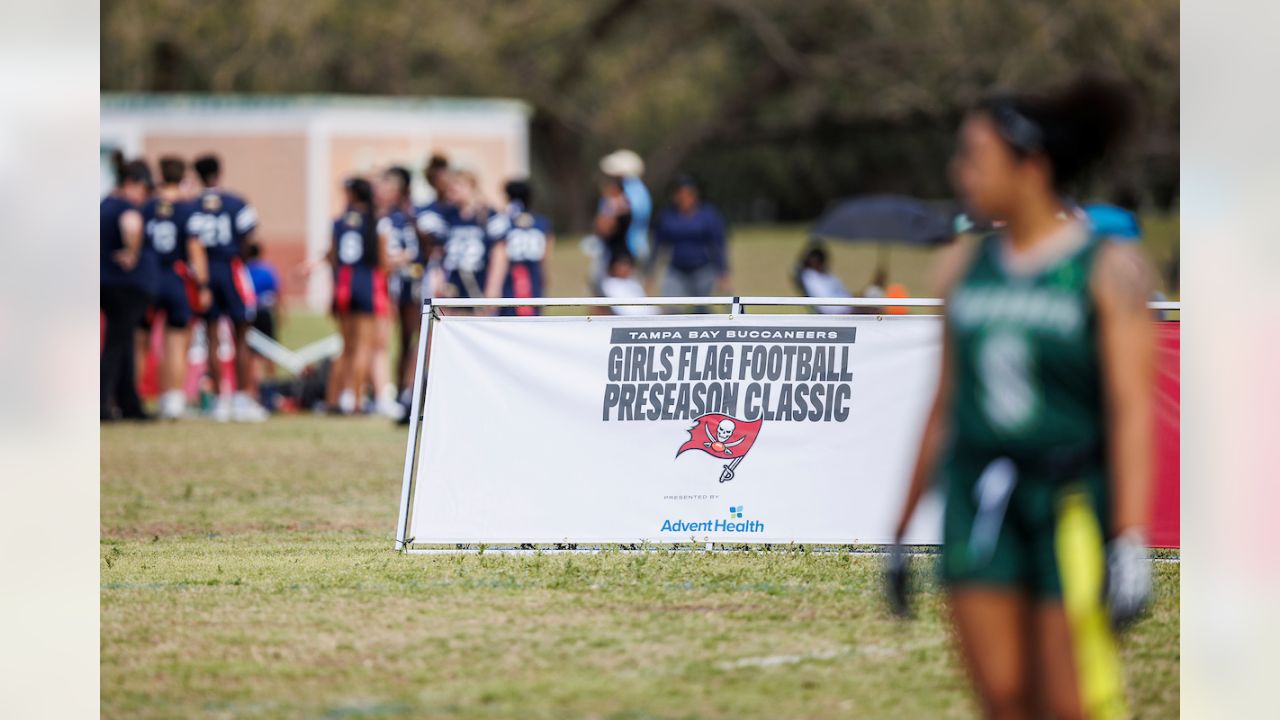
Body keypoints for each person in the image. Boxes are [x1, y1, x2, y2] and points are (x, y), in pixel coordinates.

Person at [889, 75, 1152, 719]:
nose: (960, 173)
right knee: (1002, 699)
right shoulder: (961, 268)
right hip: (979, 498)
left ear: (1031, 166)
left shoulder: (1107, 269)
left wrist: (1129, 537)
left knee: (1065, 704)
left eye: (974, 157)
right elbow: (943, 403)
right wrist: (898, 531)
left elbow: (1130, 409)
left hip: (1066, 500)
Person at [188, 154, 268, 422]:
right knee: (240, 334)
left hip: (205, 270)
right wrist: (240, 260)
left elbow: (191, 241)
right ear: (219, 172)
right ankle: (242, 397)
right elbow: (249, 234)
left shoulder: (193, 205)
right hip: (231, 268)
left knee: (211, 335)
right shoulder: (236, 202)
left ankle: (219, 401)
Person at [143, 156, 210, 419]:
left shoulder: (146, 207)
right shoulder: (187, 209)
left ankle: (138, 396)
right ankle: (172, 399)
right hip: (175, 277)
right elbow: (195, 248)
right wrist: (203, 284)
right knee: (175, 342)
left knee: (142, 342)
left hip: (148, 277)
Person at [101, 155, 156, 421]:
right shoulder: (125, 206)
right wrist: (132, 252)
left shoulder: (104, 204)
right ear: (133, 183)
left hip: (105, 283)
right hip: (124, 285)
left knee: (122, 345)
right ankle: (103, 405)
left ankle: (128, 402)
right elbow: (132, 225)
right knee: (116, 347)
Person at [328, 177, 387, 414]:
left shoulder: (339, 221)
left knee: (346, 346)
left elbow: (333, 257)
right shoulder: (376, 221)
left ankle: (333, 398)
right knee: (364, 346)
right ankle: (356, 400)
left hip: (343, 285)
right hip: (366, 284)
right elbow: (382, 262)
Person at [422, 170, 499, 312]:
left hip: (478, 279)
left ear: (470, 187)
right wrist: (437, 277)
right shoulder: (447, 215)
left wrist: (493, 287)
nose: (451, 192)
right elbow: (439, 249)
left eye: (456, 187)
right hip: (453, 279)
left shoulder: (487, 215)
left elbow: (499, 254)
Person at [650, 175, 729, 312]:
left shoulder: (708, 215)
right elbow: (657, 244)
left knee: (701, 310)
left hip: (702, 269)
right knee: (669, 308)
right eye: (679, 194)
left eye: (687, 194)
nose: (683, 198)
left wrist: (723, 272)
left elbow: (717, 244)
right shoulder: (668, 215)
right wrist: (650, 272)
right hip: (676, 269)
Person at [486, 179, 553, 316]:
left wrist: (492, 289)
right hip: (532, 280)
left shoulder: (503, 221)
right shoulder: (541, 222)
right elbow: (545, 257)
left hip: (510, 282)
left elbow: (499, 255)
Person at [600, 149, 651, 267]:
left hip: (629, 247)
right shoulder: (636, 189)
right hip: (627, 246)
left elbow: (630, 214)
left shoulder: (630, 190)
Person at [245, 242, 280, 389]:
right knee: (270, 352)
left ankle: (255, 387)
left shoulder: (244, 270)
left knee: (252, 353)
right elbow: (277, 295)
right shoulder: (268, 271)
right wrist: (280, 315)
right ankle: (271, 386)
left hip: (250, 315)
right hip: (266, 314)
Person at [591, 176, 632, 294]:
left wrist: (610, 208)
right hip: (609, 253)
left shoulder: (622, 207)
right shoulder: (610, 206)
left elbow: (605, 228)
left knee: (620, 291)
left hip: (620, 256)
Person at [793, 243, 853, 314]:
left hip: (847, 306)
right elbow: (825, 305)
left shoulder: (829, 276)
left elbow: (844, 294)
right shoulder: (811, 277)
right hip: (838, 311)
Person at [599, 252, 659, 316]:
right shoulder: (609, 284)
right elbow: (620, 309)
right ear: (614, 267)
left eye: (627, 266)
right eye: (622, 265)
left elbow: (646, 304)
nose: (625, 269)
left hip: (647, 318)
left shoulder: (634, 283)